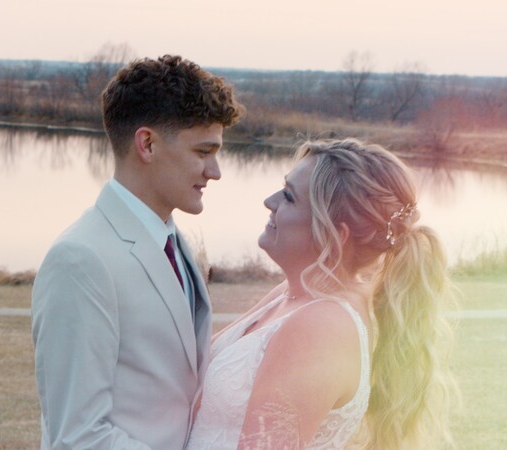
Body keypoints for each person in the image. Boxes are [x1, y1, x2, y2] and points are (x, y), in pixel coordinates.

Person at [186, 138, 458, 449]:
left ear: (335, 235)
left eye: (289, 197)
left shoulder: (322, 327)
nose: (269, 201)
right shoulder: (291, 294)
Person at [31, 55, 244, 450]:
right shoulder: (81, 260)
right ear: (147, 144)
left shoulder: (175, 243)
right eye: (203, 152)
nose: (215, 171)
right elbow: (77, 438)